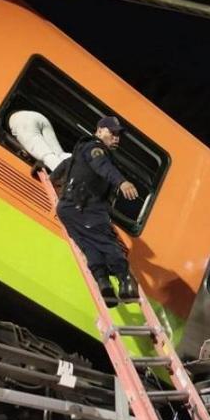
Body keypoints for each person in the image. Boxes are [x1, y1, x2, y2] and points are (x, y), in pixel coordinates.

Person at [55, 116, 140, 307]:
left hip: (67, 209)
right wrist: (122, 182)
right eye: (112, 133)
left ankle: (103, 283)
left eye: (118, 135)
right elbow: (102, 166)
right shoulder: (96, 149)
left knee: (90, 247)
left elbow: (64, 167)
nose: (116, 138)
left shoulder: (80, 150)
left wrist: (48, 175)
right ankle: (125, 284)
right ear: (100, 130)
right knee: (107, 242)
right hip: (87, 208)